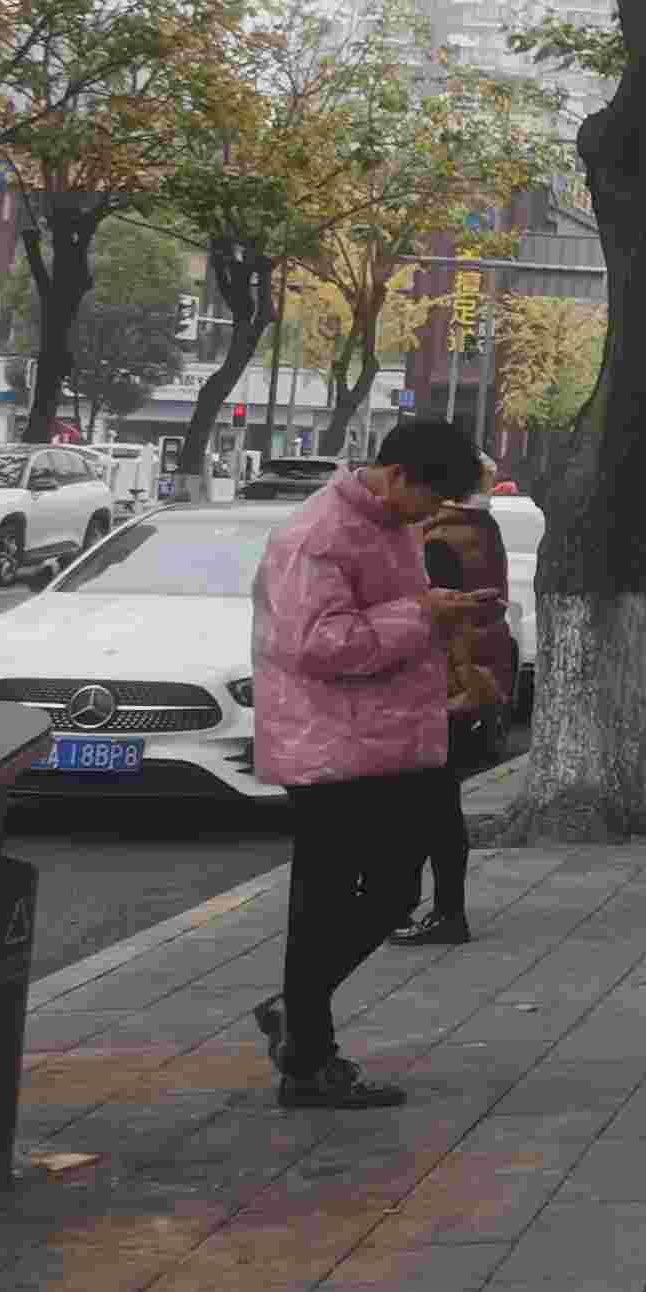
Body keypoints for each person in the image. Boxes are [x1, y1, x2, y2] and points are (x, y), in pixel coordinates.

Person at [248, 418, 493, 1107]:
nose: (432, 514)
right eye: (430, 498)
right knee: (326, 902)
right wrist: (423, 614)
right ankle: (307, 1057)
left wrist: (443, 614)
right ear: (398, 476)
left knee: (392, 890)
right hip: (330, 745)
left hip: (387, 740)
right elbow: (318, 644)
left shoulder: (392, 525)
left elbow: (393, 614)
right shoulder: (316, 536)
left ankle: (298, 1018)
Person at [393, 455, 517, 948]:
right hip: (467, 681)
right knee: (432, 802)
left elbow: (433, 617)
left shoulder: (441, 539)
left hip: (447, 685)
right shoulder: (479, 529)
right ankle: (426, 907)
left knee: (429, 804)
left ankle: (442, 911)